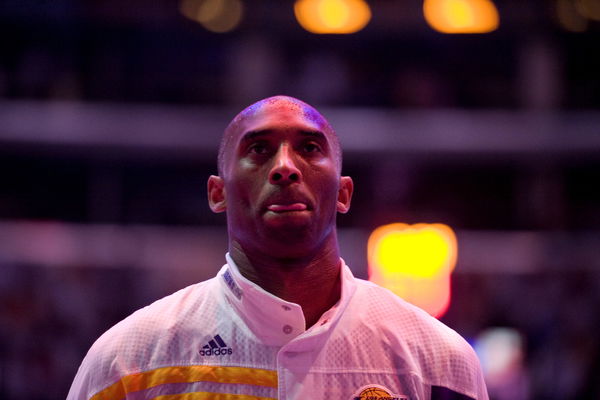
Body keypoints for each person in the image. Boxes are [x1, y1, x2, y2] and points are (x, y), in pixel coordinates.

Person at [68, 96, 488, 400]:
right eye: (259, 149)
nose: (285, 167)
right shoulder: (129, 359)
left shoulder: (438, 361)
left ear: (343, 193)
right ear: (218, 193)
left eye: (308, 148)